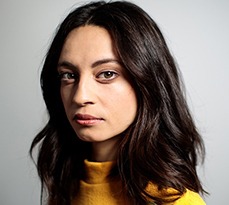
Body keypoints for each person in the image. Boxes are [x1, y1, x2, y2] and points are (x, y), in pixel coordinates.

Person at [30, 1, 207, 205]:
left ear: (146, 81)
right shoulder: (65, 187)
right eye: (69, 75)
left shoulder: (174, 201)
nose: (80, 96)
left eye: (107, 74)